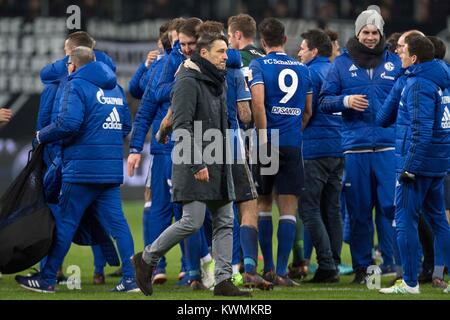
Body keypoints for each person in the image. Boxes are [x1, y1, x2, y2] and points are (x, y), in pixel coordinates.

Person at [132, 32, 250, 297]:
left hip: (218, 161)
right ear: (204, 54)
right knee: (192, 222)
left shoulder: (217, 79)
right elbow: (182, 125)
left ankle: (222, 281)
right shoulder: (186, 80)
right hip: (194, 163)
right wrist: (197, 164)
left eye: (226, 50)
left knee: (225, 221)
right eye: (221, 51)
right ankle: (146, 259)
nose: (226, 56)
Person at [15, 46, 138, 293]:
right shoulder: (116, 87)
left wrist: (42, 135)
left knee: (65, 222)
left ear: (73, 64)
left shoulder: (75, 86)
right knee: (119, 226)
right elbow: (125, 127)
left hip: (81, 169)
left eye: (68, 63)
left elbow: (69, 124)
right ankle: (131, 279)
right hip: (110, 169)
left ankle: (47, 279)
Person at [320, 5, 402, 284]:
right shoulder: (341, 65)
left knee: (391, 209)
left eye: (375, 32)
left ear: (381, 33)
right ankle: (364, 271)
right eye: (365, 32)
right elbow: (324, 101)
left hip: (389, 147)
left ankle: (392, 266)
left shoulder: (395, 63)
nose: (370, 37)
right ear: (357, 33)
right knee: (359, 211)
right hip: (355, 148)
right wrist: (345, 101)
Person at [37, 30, 119, 285]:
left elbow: (45, 122)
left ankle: (50, 271)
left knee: (57, 214)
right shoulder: (106, 78)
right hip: (95, 159)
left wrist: (41, 143)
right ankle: (99, 270)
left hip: (63, 158)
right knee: (96, 215)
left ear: (69, 53)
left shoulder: (57, 84)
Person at [378, 35, 450, 294]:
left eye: (403, 50)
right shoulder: (438, 77)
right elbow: (384, 118)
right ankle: (443, 277)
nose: (398, 53)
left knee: (404, 219)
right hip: (436, 163)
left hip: (416, 164)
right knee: (439, 220)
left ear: (414, 57)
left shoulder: (418, 84)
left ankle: (409, 282)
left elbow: (421, 129)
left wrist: (410, 166)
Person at [249, 17, 312, 286]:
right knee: (288, 209)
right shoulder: (302, 68)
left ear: (262, 42)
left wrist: (263, 139)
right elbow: (308, 111)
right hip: (292, 143)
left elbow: (258, 106)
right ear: (285, 39)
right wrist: (294, 131)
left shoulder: (258, 64)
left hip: (267, 142)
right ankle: (284, 272)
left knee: (262, 205)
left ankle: (269, 268)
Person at [298, 29, 343, 283]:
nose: (299, 52)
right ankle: (334, 262)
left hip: (315, 149)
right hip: (339, 147)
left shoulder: (309, 73)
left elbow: (308, 111)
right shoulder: (337, 71)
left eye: (303, 48)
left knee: (309, 209)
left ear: (314, 51)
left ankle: (326, 264)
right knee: (332, 209)